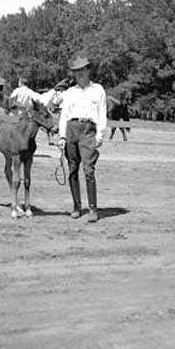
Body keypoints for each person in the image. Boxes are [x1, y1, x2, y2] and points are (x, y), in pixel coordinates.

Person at [58, 55, 107, 223]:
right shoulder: (70, 92)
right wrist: (62, 136)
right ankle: (76, 206)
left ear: (88, 70)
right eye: (76, 71)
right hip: (71, 128)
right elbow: (64, 115)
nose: (79, 73)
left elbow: (102, 113)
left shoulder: (98, 90)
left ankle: (93, 208)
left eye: (82, 70)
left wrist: (100, 134)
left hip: (88, 130)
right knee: (72, 169)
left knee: (88, 169)